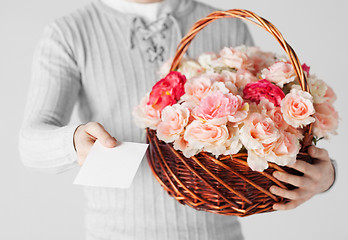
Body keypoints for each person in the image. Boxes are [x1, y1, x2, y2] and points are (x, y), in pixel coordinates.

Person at [18, 0, 336, 239]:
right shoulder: (69, 33)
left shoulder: (224, 25)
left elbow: (266, 129)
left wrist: (323, 177)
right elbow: (30, 143)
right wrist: (73, 142)